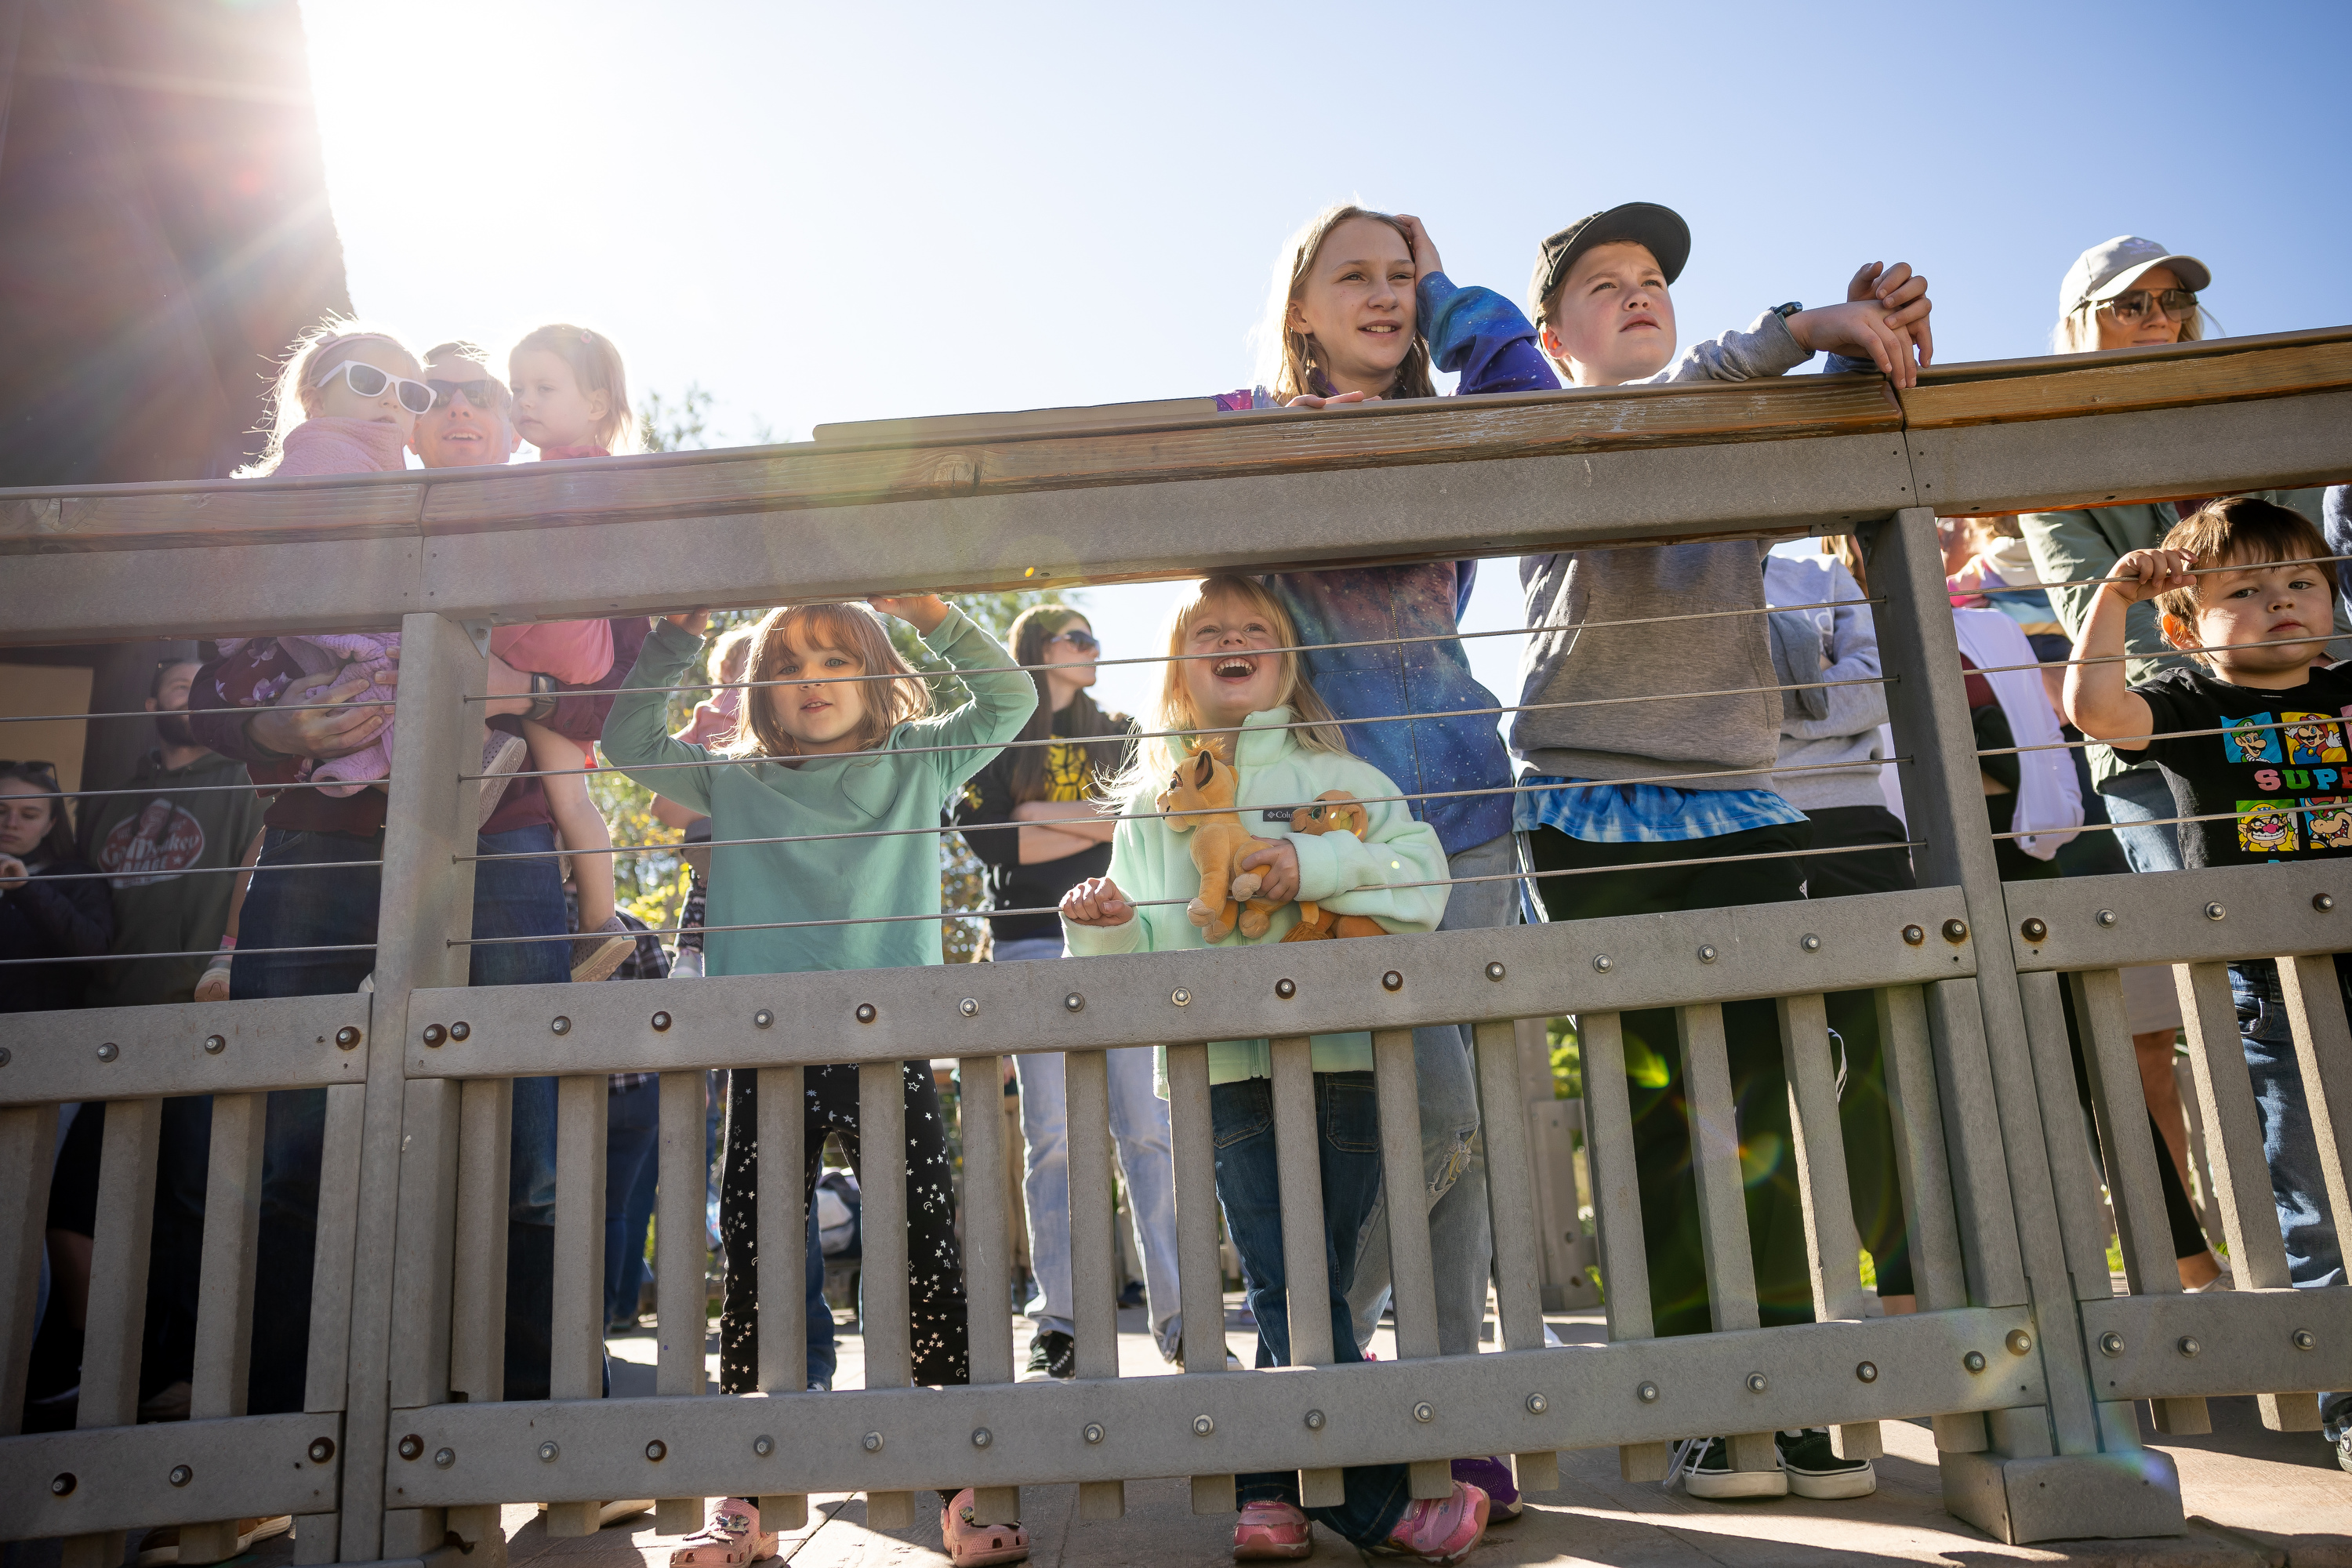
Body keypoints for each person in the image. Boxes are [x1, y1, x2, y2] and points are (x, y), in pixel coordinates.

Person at [1406, 202, 1928, 1503]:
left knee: (1764, 1095)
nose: (1640, 295)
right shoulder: (1555, 425)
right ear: (1554, 336)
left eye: (1654, 281)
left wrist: (1873, 340)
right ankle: (1707, 1400)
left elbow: (1822, 419)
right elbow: (1586, 373)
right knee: (1661, 1110)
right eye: (1606, 286)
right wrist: (1806, 325)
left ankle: (1791, 1390)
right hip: (1598, 811)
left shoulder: (1736, 423)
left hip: (1739, 802)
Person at [187, 326, 648, 1427]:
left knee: (523, 1134)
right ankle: (271, 1435)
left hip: (505, 844)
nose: (449, 408)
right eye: (422, 394)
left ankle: (531, 1421)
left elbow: (614, 685)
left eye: (478, 393)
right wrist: (269, 720)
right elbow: (215, 675)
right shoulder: (336, 502)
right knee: (283, 1121)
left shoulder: (549, 513)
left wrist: (523, 690)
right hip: (325, 837)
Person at [602, 594, 1035, 1568]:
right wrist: (675, 637)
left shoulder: (919, 760)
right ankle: (746, 1499)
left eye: (838, 658)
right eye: (790, 664)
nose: (813, 679)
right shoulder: (735, 775)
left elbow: (1006, 695)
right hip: (773, 1053)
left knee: (925, 1258)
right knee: (758, 1263)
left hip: (891, 1053)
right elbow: (626, 739)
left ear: (881, 675)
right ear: (761, 688)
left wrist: (930, 612)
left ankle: (962, 1494)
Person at [1061, 576, 1484, 1566]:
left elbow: (1423, 879)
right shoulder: (1154, 800)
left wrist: (1313, 864)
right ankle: (1368, 1502)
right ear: (1179, 670)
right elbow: (1147, 948)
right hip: (1219, 1076)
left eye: (1256, 630)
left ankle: (1268, 1495)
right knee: (1286, 1274)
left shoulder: (1344, 775)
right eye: (1210, 632)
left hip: (1343, 1064)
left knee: (1309, 1278)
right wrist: (1108, 927)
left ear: (1289, 662)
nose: (1234, 639)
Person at [1211, 209, 1518, 1514]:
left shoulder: (1459, 425)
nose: (1387, 295)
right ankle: (1336, 1383)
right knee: (1386, 1118)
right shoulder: (1251, 422)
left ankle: (1447, 1417)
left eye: (1405, 277)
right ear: (1300, 305)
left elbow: (1532, 393)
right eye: (1359, 276)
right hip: (1334, 834)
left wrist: (1456, 297)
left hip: (1468, 808)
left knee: (1462, 1132)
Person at [2062, 495, 2351, 1469]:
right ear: (2185, 621)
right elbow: (2097, 710)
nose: (2281, 602)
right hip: (2271, 995)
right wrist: (2115, 595)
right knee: (2314, 1187)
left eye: (2301, 582)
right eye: (2246, 590)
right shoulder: (2191, 704)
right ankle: (2350, 1390)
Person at [948, 604, 1183, 1376]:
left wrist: (1041, 813)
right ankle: (1064, 1318)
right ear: (1036, 651)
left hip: (1116, 940)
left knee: (1145, 1128)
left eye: (1094, 636)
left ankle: (1179, 1311)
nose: (1092, 648)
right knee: (1049, 1137)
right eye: (1076, 637)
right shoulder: (997, 735)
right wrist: (1077, 821)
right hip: (1024, 944)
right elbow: (991, 839)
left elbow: (1134, 825)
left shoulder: (1117, 730)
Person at [65, 658, 270, 1425]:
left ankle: (183, 1372)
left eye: (201, 686)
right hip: (103, 1028)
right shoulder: (111, 799)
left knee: (190, 1198)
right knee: (77, 1206)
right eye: (176, 686)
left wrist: (226, 960)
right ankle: (92, 1366)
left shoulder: (243, 779)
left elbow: (258, 878)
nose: (188, 697)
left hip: (199, 1021)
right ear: (151, 701)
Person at [1762, 550, 1917, 1315]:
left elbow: (1878, 681)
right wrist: (1811, 691)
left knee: (1887, 1067)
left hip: (1851, 819)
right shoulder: (1663, 567)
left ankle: (1909, 1293)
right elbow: (1661, 704)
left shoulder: (1820, 571)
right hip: (1729, 824)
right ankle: (1790, 1311)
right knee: (1752, 1080)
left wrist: (1739, 711)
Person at [1, 760, 109, 1013]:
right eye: (0, 810)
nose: (11, 823)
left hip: (43, 1034)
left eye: (29, 815)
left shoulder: (77, 878)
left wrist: (25, 888)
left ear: (50, 824)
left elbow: (93, 951)